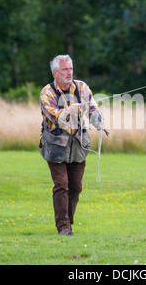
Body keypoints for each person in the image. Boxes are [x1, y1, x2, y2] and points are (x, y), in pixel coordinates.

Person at [39, 54, 104, 236]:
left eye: (71, 69)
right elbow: (53, 116)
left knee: (76, 187)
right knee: (62, 185)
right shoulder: (47, 92)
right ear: (55, 73)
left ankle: (68, 222)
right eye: (64, 70)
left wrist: (97, 118)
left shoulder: (82, 87)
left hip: (78, 145)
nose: (69, 73)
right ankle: (64, 227)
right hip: (55, 146)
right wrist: (67, 110)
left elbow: (93, 109)